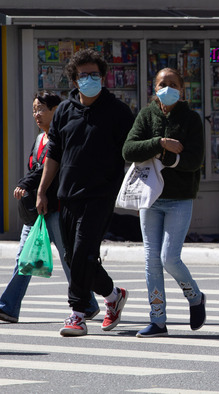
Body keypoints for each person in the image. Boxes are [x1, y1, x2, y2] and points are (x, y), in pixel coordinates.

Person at [36, 49, 135, 337]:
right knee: (75, 256)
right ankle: (113, 295)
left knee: (81, 252)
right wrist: (43, 191)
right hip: (67, 194)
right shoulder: (65, 111)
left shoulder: (117, 112)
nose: (89, 79)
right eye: (83, 75)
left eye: (94, 74)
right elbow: (53, 153)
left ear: (103, 77)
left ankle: (77, 313)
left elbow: (130, 151)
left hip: (101, 195)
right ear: (74, 79)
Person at [0, 92, 99, 324]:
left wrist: (27, 183)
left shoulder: (62, 138)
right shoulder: (38, 140)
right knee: (24, 258)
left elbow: (47, 170)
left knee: (68, 259)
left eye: (41, 109)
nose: (36, 114)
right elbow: (35, 167)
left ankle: (88, 303)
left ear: (56, 110)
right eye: (34, 109)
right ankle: (8, 307)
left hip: (56, 208)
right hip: (37, 210)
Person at [122, 67, 206, 338]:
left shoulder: (192, 119)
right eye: (162, 83)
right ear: (154, 89)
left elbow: (195, 161)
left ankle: (195, 297)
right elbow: (128, 149)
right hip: (150, 197)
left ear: (182, 89)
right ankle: (157, 320)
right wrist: (160, 143)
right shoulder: (147, 115)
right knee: (151, 261)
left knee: (169, 258)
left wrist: (170, 159)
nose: (167, 88)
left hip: (179, 199)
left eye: (172, 83)